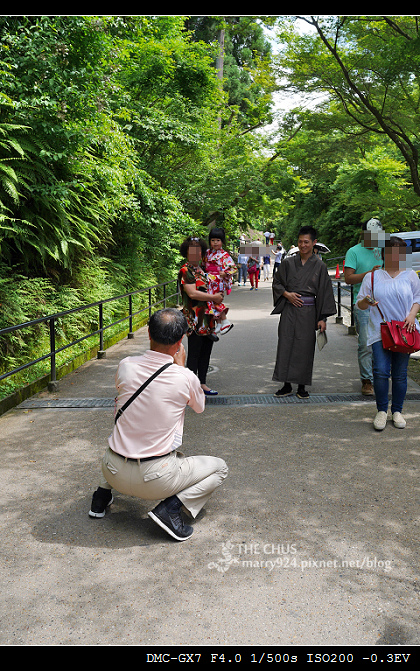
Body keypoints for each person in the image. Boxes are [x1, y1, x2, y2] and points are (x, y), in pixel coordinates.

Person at [88, 308, 228, 541]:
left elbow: (123, 389)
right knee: (220, 467)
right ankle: (170, 509)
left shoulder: (126, 365)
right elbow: (199, 407)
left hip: (111, 470)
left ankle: (101, 497)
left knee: (129, 431)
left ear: (149, 335)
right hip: (156, 480)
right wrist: (182, 368)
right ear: (180, 340)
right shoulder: (184, 377)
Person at [356, 236, 420, 431]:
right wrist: (367, 300)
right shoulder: (372, 277)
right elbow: (360, 303)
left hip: (404, 330)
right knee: (381, 372)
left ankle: (397, 411)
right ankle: (382, 411)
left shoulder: (410, 275)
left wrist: (411, 316)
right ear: (384, 253)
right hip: (380, 330)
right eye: (391, 251)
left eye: (400, 252)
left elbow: (417, 298)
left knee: (400, 374)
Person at [271, 225, 336, 399]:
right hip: (290, 309)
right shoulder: (287, 263)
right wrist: (287, 294)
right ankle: (286, 385)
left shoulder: (320, 266)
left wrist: (322, 318)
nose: (303, 245)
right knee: (285, 343)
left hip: (309, 311)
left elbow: (324, 292)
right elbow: (277, 283)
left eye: (306, 242)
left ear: (314, 243)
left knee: (305, 347)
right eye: (300, 242)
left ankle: (301, 386)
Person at [344, 218, 384, 396]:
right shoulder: (353, 252)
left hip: (384, 303)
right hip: (362, 303)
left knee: (383, 342)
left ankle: (380, 377)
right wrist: (369, 274)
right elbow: (348, 278)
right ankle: (367, 381)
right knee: (365, 344)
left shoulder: (383, 249)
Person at [179, 236, 223, 395]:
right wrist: (214, 298)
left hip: (207, 317)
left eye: (198, 250)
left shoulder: (202, 270)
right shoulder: (185, 270)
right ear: (186, 252)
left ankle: (202, 383)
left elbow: (210, 290)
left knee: (206, 352)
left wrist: (217, 307)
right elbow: (192, 294)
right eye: (192, 250)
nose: (195, 253)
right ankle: (191, 388)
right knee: (195, 353)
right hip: (194, 319)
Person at [204, 227, 237, 335]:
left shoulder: (225, 255)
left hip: (218, 281)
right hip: (208, 279)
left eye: (218, 240)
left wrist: (226, 273)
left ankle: (225, 320)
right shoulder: (207, 253)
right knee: (210, 302)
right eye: (213, 240)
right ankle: (218, 323)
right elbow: (204, 265)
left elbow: (233, 268)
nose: (215, 243)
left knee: (215, 300)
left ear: (222, 241)